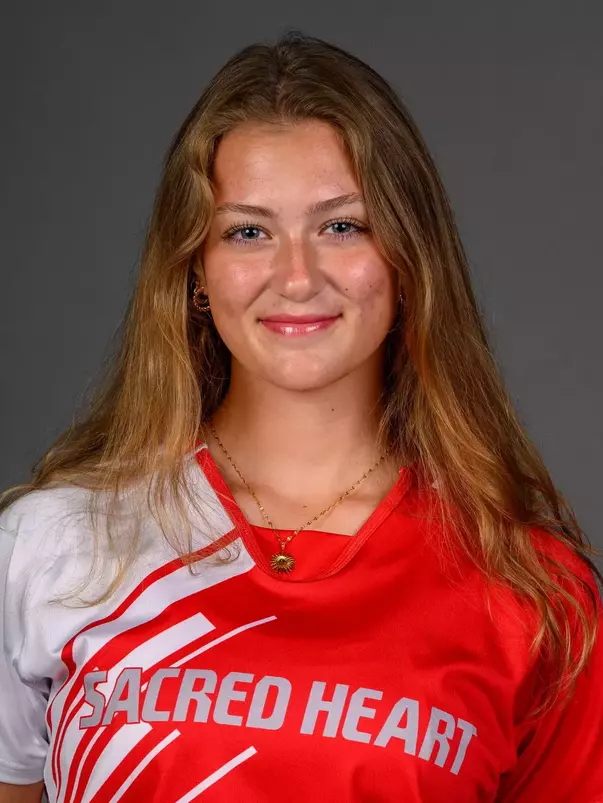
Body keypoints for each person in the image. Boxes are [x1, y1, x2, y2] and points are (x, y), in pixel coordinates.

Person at [0, 30, 601, 803]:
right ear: (196, 271)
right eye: (247, 231)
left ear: (408, 259)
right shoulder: (51, 547)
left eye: (341, 226)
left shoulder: (533, 591)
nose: (296, 276)